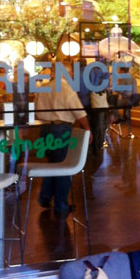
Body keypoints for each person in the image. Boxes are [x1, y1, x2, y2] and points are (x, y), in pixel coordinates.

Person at [34, 61, 90, 215]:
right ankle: (61, 204)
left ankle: (45, 197)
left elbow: (36, 110)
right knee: (64, 166)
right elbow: (79, 112)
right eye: (71, 72)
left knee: (52, 164)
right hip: (61, 130)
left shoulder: (43, 88)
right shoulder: (66, 89)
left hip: (44, 129)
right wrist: (87, 128)